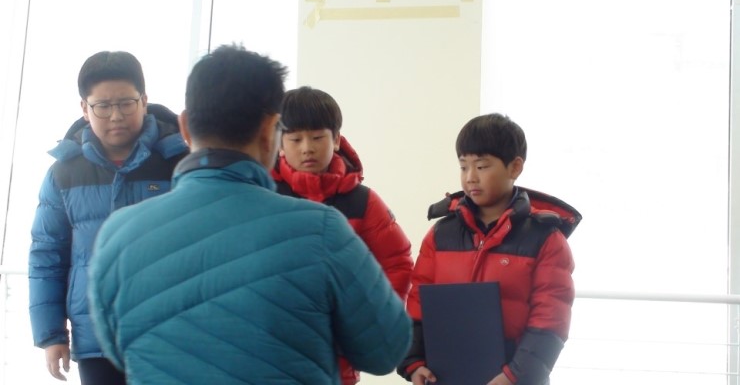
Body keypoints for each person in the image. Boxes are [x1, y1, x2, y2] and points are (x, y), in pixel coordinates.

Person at [87, 44, 413, 384]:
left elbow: (116, 350)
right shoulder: (322, 229)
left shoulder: (117, 234)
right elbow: (384, 350)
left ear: (184, 128)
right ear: (271, 130)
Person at [28, 50, 188, 385]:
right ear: (84, 108)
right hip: (95, 339)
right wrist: (51, 334)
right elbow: (47, 255)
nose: (116, 115)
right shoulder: (63, 174)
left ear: (144, 101)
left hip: (170, 334)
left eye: (126, 103)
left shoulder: (179, 164)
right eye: (103, 105)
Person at [397, 113, 581, 385]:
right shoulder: (440, 235)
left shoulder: (545, 239)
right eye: (463, 167)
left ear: (515, 167)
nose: (470, 177)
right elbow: (418, 304)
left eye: (481, 166)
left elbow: (551, 319)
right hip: (446, 377)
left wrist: (515, 376)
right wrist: (414, 363)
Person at [272, 85, 414, 385]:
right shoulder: (265, 196)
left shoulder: (363, 202)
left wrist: (366, 324)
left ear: (336, 139)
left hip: (338, 366)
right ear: (279, 143)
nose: (307, 148)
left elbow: (397, 263)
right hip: (272, 357)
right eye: (295, 139)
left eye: (317, 137)